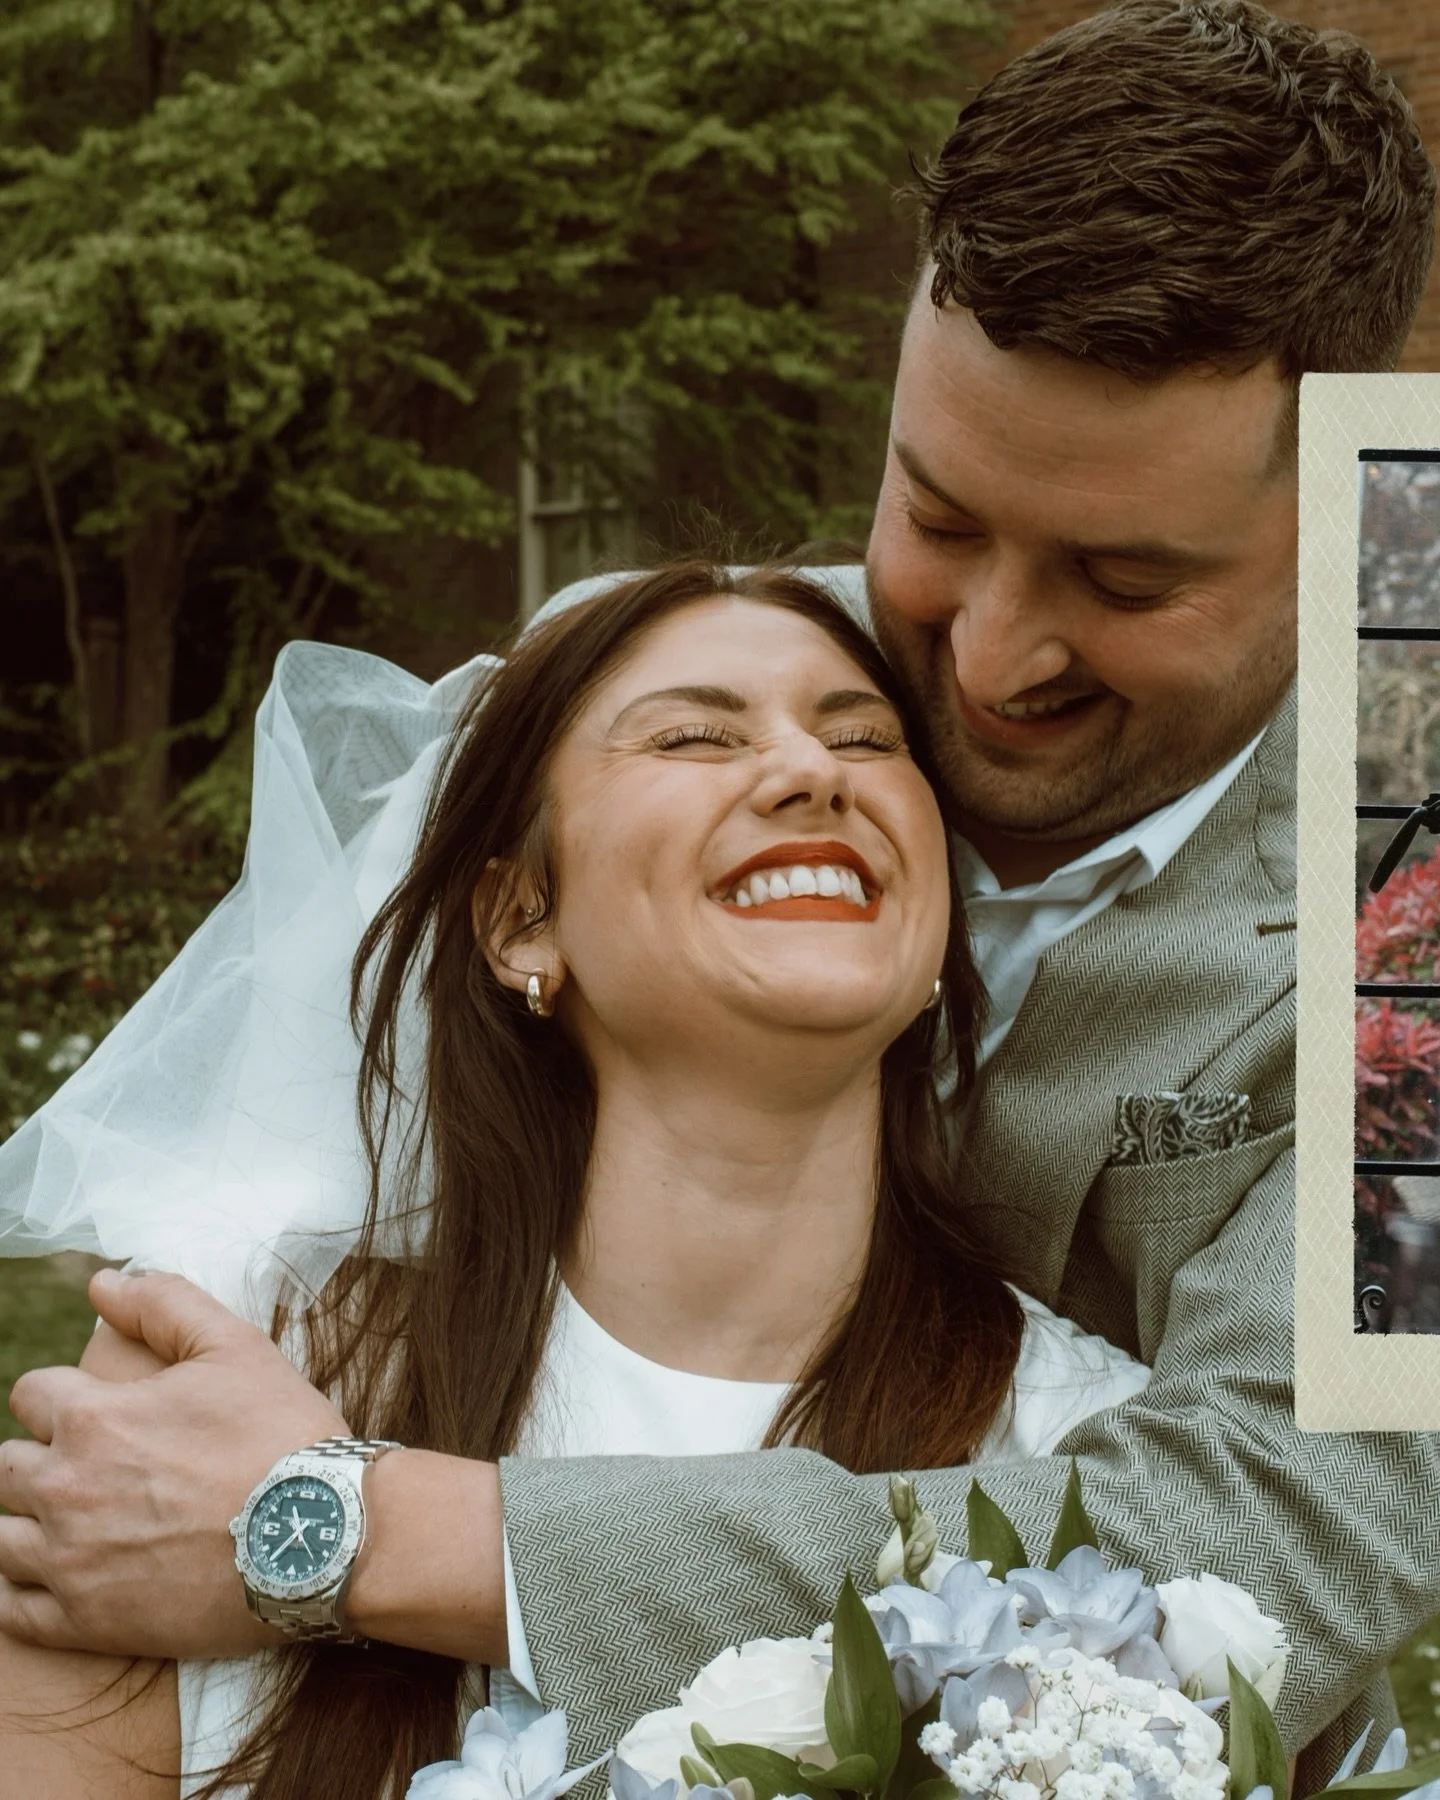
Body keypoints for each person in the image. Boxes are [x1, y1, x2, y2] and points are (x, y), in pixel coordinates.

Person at [2, 0, 1437, 1791]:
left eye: (1127, 578)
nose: (983, 659)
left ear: (1359, 511)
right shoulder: (708, 690)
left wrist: (362, 1533)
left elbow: (1278, 1538)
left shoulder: (1423, 882)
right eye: (938, 514)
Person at [0, 563, 1152, 1797]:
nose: (813, 772)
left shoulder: (1089, 1442)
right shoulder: (233, 1371)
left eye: (864, 737)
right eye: (695, 735)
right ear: (518, 923)